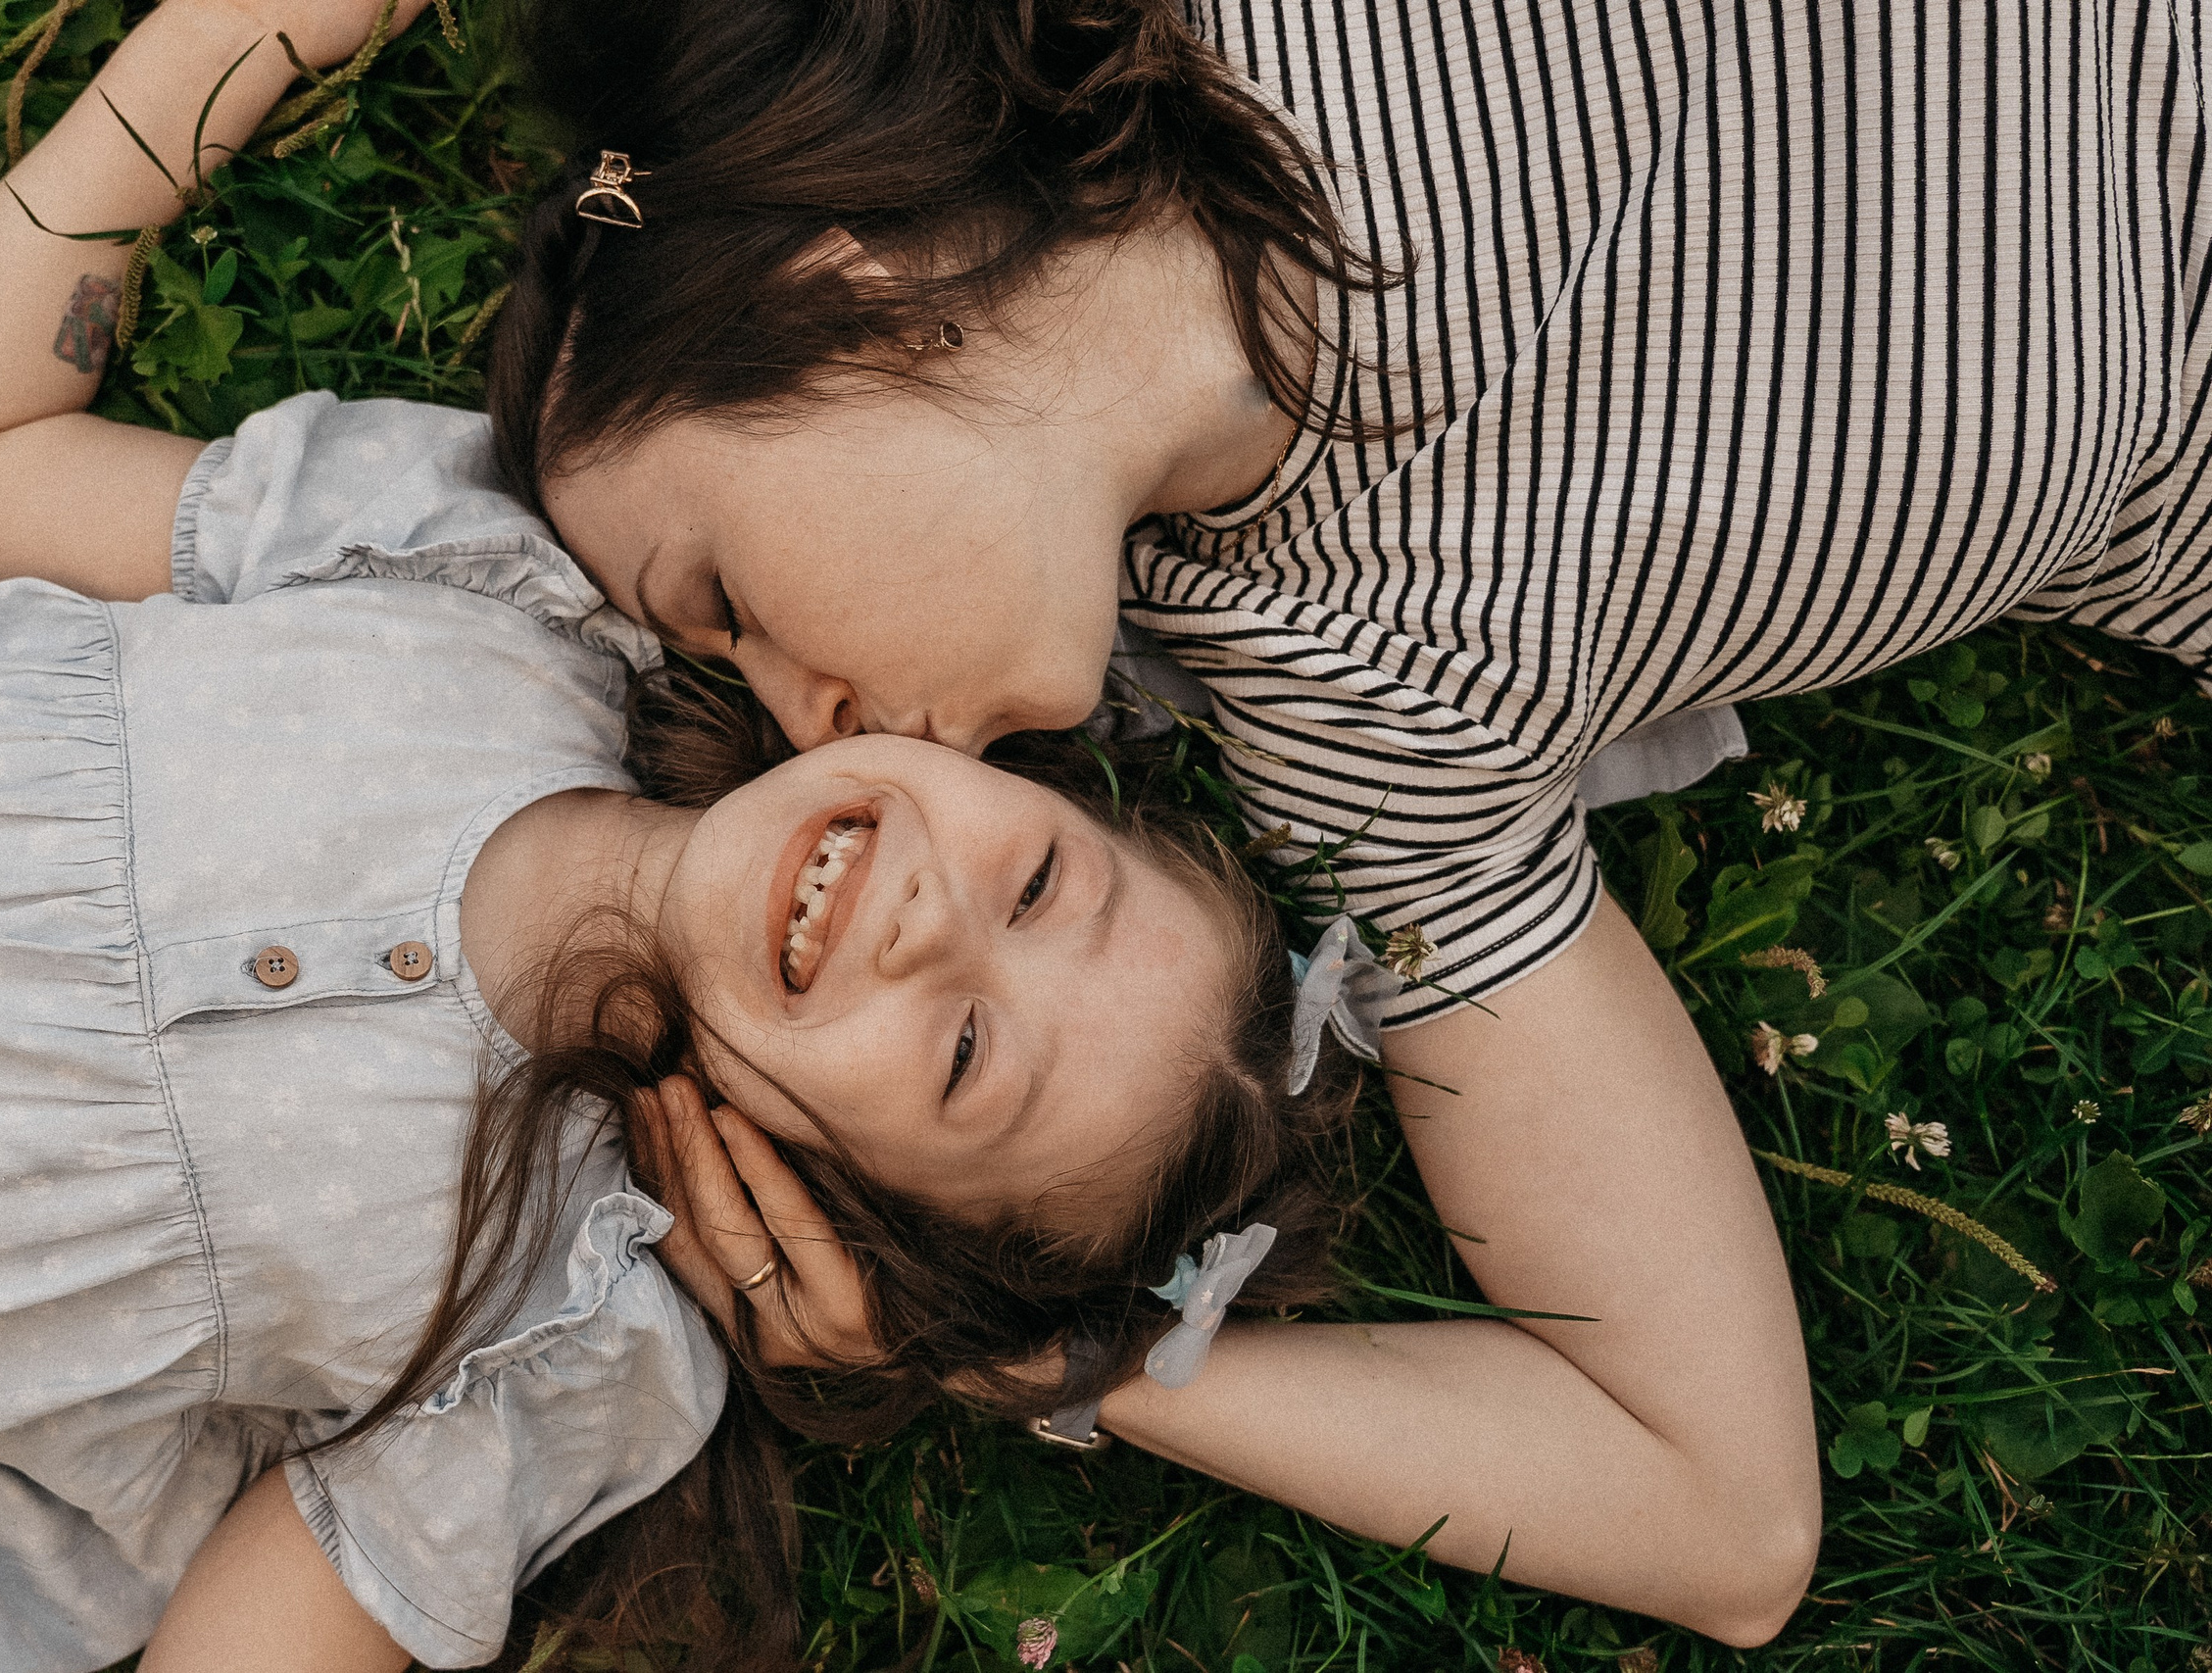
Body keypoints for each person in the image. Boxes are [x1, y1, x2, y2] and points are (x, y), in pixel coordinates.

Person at [481, 0, 2212, 1644]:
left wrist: (188, 125)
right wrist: (1015, 1354)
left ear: (840, 300)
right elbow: (1722, 1515)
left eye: (719, 596)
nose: (796, 720)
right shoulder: (1365, 716)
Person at [0, 4, 1355, 1668]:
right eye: (1041, 879)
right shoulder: (490, 588)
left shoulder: (576, 1332)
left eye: (966, 1054)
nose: (936, 927)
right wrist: (251, 34)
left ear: (862, 1217)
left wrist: (924, 1360)